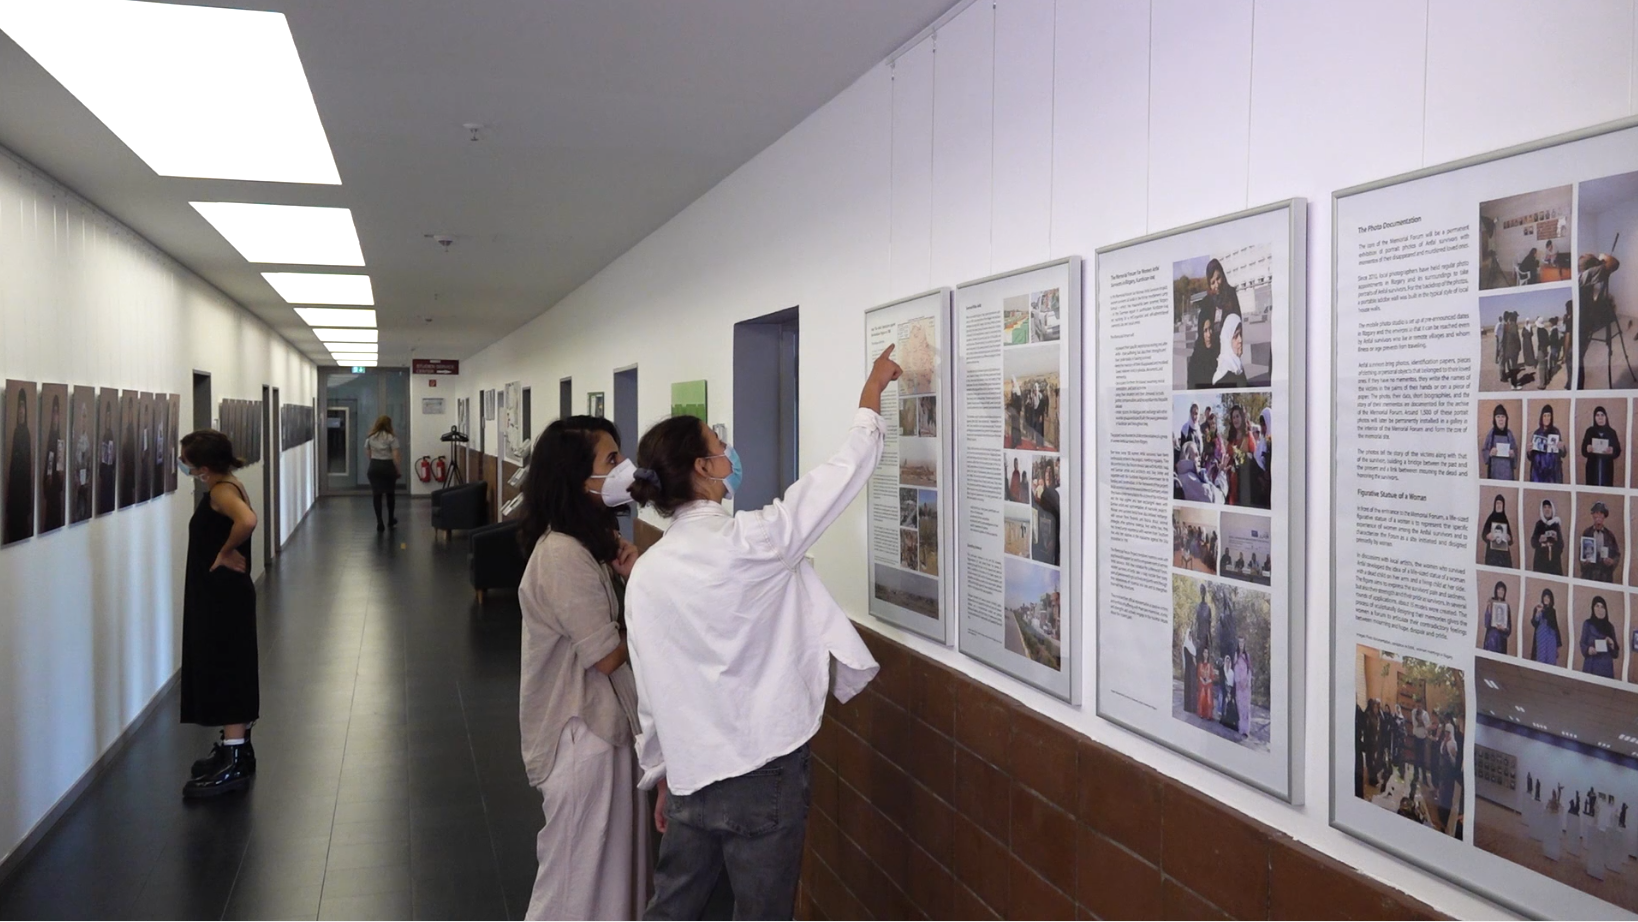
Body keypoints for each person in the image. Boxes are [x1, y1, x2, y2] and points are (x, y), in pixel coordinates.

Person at [623, 346, 900, 920]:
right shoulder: (756, 543)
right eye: (719, 446)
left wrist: (662, 776)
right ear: (702, 468)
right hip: (765, 770)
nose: (729, 453)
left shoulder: (646, 574)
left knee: (673, 909)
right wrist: (870, 399)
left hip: (692, 774)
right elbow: (835, 482)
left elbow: (649, 691)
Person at [516, 414, 648, 920]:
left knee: (609, 884)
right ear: (576, 477)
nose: (622, 470)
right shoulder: (562, 556)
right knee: (574, 884)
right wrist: (646, 612)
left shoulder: (585, 548)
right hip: (581, 736)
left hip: (603, 730)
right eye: (611, 461)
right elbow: (606, 654)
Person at [177, 429, 259, 798]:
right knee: (225, 663)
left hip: (223, 596)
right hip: (219, 595)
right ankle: (234, 747)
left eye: (187, 462)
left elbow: (248, 521)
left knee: (226, 667)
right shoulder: (228, 483)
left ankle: (236, 759)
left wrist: (225, 551)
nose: (184, 466)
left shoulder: (223, 492)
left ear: (203, 467)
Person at [1578, 252, 1622, 389]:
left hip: (1581, 322)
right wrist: (1603, 257)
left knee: (1575, 358)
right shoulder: (1586, 275)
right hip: (1582, 323)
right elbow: (1614, 263)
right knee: (1577, 359)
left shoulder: (1582, 275)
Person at [4, 388, 32, 542]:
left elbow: (26, 469)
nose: (21, 411)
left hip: (22, 495)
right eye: (19, 407)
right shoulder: (16, 432)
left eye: (23, 407)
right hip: (15, 494)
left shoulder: (26, 434)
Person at [1578, 500, 1620, 583]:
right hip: (1589, 574)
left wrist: (1612, 562)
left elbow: (1617, 554)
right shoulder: (1587, 533)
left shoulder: (1609, 535)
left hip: (1605, 575)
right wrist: (1583, 562)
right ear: (1593, 515)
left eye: (1601, 513)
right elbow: (1581, 552)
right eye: (1596, 513)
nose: (1598, 516)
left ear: (1604, 516)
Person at [1580, 405, 1623, 486]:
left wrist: (1612, 450)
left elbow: (1618, 451)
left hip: (1607, 468)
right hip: (1592, 468)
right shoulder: (1589, 431)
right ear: (1594, 417)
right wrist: (1587, 449)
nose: (1600, 418)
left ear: (1606, 417)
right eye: (1597, 415)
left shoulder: (1611, 432)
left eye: (1602, 415)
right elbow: (1583, 451)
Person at [1579, 595, 1621, 678]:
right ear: (1593, 608)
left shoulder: (1610, 627)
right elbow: (1582, 643)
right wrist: (1588, 650)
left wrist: (1612, 644)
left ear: (1605, 610)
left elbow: (1615, 654)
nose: (1599, 609)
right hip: (1591, 665)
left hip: (1606, 668)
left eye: (1602, 607)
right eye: (1597, 606)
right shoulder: (1587, 624)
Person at [40, 394, 64, 530]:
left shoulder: (60, 440)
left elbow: (61, 477)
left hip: (56, 495)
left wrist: (60, 477)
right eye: (53, 412)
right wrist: (47, 480)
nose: (55, 416)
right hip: (50, 495)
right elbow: (46, 468)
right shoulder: (50, 439)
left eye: (57, 413)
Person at [1528, 404, 1565, 483]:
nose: (1547, 418)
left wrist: (1562, 448)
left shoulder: (1556, 432)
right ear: (1541, 417)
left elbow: (1563, 454)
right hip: (1538, 474)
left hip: (1553, 474)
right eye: (1544, 416)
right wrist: (1529, 451)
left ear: (1551, 417)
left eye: (1549, 415)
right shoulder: (1536, 434)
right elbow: (1530, 457)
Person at [1212, 314, 1249, 388]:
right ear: (1227, 341)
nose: (1240, 340)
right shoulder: (1223, 378)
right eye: (1235, 336)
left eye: (1240, 334)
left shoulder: (1237, 367)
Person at [1530, 499, 1564, 575]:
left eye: (1549, 507)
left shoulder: (1556, 524)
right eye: (1545, 507)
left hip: (1554, 562)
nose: (1547, 509)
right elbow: (1533, 542)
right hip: (1540, 561)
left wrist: (1556, 539)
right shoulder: (1539, 524)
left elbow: (1561, 545)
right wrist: (1539, 540)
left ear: (1552, 509)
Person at [72, 397, 92, 521]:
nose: (83, 420)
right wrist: (76, 479)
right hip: (75, 488)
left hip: (85, 488)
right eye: (82, 416)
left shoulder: (88, 442)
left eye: (85, 416)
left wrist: (88, 480)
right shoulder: (74, 440)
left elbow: (90, 465)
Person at [1481, 493, 1515, 568]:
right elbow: (1483, 534)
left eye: (1501, 503)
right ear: (1494, 504)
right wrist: (1488, 536)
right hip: (1492, 553)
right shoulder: (1490, 518)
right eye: (1497, 503)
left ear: (1503, 505)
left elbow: (1511, 540)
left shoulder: (1505, 519)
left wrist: (1508, 538)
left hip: (1503, 555)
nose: (1499, 505)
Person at [1482, 581, 1512, 653]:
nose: (1501, 592)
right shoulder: (1491, 603)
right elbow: (1486, 623)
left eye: (1503, 590)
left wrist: (1503, 629)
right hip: (1491, 638)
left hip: (1501, 640)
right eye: (1499, 589)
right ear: (1496, 590)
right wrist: (1489, 607)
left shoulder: (1506, 606)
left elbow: (1509, 627)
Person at [1234, 644, 1252, 741]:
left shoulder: (1247, 656)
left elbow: (1249, 671)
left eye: (1242, 643)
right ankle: (1241, 729)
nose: (1240, 645)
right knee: (1240, 707)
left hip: (1246, 686)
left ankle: (1246, 730)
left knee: (1246, 708)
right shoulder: (1236, 656)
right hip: (1239, 686)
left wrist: (1246, 682)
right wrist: (1239, 682)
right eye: (1239, 643)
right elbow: (1235, 670)